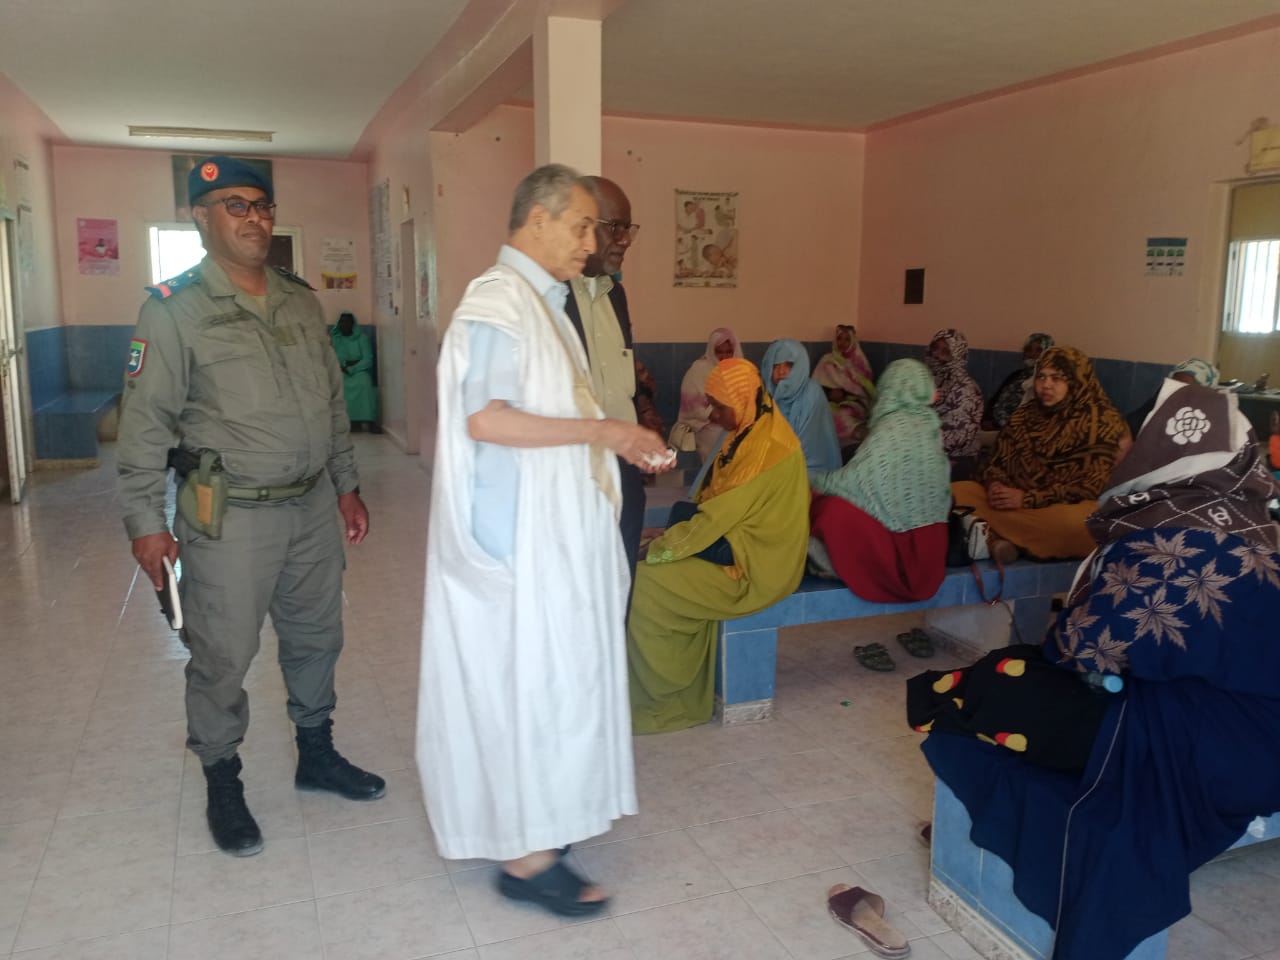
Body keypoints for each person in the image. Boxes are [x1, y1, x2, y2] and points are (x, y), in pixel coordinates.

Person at [909, 379, 1280, 960]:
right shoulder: (1255, 522)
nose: (1118, 452)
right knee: (1014, 678)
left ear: (1166, 449)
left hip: (1197, 744)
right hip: (1252, 733)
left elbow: (1086, 646)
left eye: (1131, 443)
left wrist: (1061, 647)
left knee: (991, 683)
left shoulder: (1173, 536)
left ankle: (979, 793)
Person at [416, 164, 670, 917]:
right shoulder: (498, 301)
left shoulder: (544, 301)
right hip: (516, 544)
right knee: (524, 686)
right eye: (584, 226)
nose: (594, 244)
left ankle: (545, 828)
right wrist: (607, 431)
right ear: (537, 220)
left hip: (552, 534)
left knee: (557, 682)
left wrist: (619, 444)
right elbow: (485, 419)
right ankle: (524, 862)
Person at [116, 156, 384, 858]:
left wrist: (347, 482)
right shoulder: (173, 310)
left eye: (262, 205)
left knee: (316, 637)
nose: (254, 217)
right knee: (222, 652)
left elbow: (330, 402)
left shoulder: (300, 300)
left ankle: (316, 753)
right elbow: (144, 425)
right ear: (200, 218)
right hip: (228, 515)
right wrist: (146, 525)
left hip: (310, 507)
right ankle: (222, 776)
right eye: (234, 205)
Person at [628, 358, 810, 733]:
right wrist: (666, 539)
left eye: (718, 404)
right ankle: (668, 689)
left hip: (756, 567)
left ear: (742, 400)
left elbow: (716, 518)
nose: (712, 412)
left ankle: (669, 701)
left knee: (646, 584)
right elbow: (711, 505)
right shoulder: (750, 429)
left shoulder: (767, 447)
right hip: (738, 546)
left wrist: (663, 547)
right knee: (652, 566)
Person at [952, 345, 1127, 561]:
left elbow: (1090, 487)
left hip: (1055, 508)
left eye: (1057, 378)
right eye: (1041, 377)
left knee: (1076, 524)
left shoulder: (1100, 421)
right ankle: (998, 540)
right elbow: (994, 462)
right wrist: (995, 485)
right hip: (1009, 502)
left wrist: (1027, 498)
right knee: (957, 492)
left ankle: (991, 535)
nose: (1046, 385)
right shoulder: (1025, 415)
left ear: (1076, 380)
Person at [809, 359, 951, 603]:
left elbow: (852, 482)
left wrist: (811, 482)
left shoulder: (893, 426)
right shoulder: (930, 425)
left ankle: (832, 561)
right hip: (931, 556)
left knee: (830, 508)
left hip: (903, 559)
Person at [563, 176, 648, 580]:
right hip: (571, 476)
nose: (624, 239)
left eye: (628, 228)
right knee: (576, 591)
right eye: (614, 227)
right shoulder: (544, 297)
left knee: (619, 585)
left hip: (623, 472)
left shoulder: (616, 295)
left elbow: (623, 382)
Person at [762, 338, 840, 475]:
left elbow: (804, 446)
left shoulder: (811, 393)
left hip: (809, 471)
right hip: (776, 468)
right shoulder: (766, 395)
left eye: (789, 365)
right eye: (775, 366)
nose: (781, 372)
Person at [670, 327, 743, 461]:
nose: (725, 356)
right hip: (708, 424)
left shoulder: (740, 370)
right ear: (712, 350)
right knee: (718, 445)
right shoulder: (699, 369)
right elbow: (692, 405)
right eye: (720, 352)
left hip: (735, 422)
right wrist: (719, 414)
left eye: (729, 352)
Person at [925, 329, 984, 479]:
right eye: (935, 348)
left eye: (945, 351)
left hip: (958, 460)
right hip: (928, 451)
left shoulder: (966, 389)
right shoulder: (930, 381)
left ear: (957, 355)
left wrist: (916, 441)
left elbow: (959, 438)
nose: (937, 354)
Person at [812, 324, 876, 452]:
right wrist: (830, 393)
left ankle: (860, 432)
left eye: (847, 339)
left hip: (855, 401)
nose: (842, 343)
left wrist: (846, 394)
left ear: (853, 341)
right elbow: (816, 384)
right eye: (840, 338)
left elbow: (865, 387)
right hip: (830, 401)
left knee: (846, 413)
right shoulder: (828, 360)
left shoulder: (859, 363)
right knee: (829, 414)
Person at [1124, 356, 1218, 438]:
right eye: (1175, 385)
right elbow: (1130, 428)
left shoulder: (1206, 425)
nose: (1178, 393)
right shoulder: (1157, 403)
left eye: (1188, 390)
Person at [985, 332, 1053, 429]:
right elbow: (995, 399)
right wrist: (986, 419)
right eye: (1028, 349)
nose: (1032, 354)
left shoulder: (1046, 383)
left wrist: (997, 426)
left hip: (1016, 431)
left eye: (1039, 350)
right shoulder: (1017, 375)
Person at [330, 311, 380, 432]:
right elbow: (331, 357)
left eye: (347, 322)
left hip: (359, 371)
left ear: (353, 324)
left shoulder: (362, 339)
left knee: (365, 382)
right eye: (342, 322)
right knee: (337, 384)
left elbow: (368, 359)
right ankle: (347, 421)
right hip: (339, 371)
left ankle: (370, 421)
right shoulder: (335, 339)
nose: (344, 324)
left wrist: (352, 367)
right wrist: (344, 365)